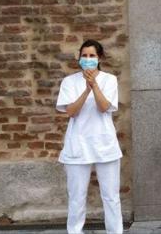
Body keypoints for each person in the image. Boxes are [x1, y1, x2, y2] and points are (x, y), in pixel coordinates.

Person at [56, 39, 123, 234]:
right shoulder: (69, 82)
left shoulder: (109, 80)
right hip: (78, 143)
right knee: (76, 196)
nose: (87, 59)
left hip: (104, 143)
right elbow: (71, 112)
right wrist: (86, 89)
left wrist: (94, 85)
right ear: (79, 58)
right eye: (84, 55)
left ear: (99, 58)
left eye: (92, 56)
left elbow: (104, 107)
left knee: (111, 196)